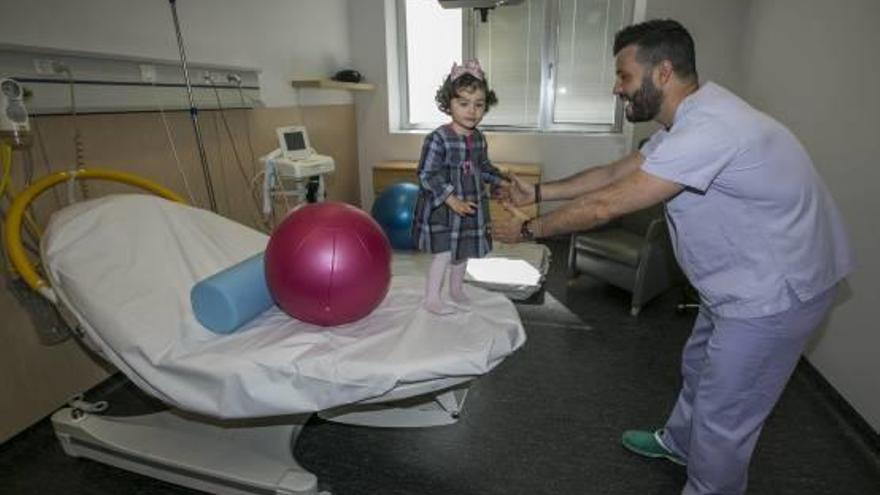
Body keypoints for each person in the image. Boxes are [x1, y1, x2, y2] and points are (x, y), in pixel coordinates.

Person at [493, 19, 854, 495]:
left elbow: (608, 204)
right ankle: (681, 443)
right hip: (736, 283)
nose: (616, 88)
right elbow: (615, 172)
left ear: (662, 72)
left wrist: (525, 227)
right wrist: (538, 192)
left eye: (623, 75)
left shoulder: (712, 128)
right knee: (699, 365)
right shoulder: (688, 121)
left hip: (776, 293)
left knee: (727, 415)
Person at [412, 59, 506, 315]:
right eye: (463, 103)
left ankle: (456, 290)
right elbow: (426, 174)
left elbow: (484, 166)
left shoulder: (478, 138)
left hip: (470, 205)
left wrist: (501, 181)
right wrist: (451, 199)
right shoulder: (438, 138)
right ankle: (432, 298)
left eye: (478, 105)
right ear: (448, 104)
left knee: (462, 252)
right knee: (443, 253)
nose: (471, 111)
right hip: (443, 208)